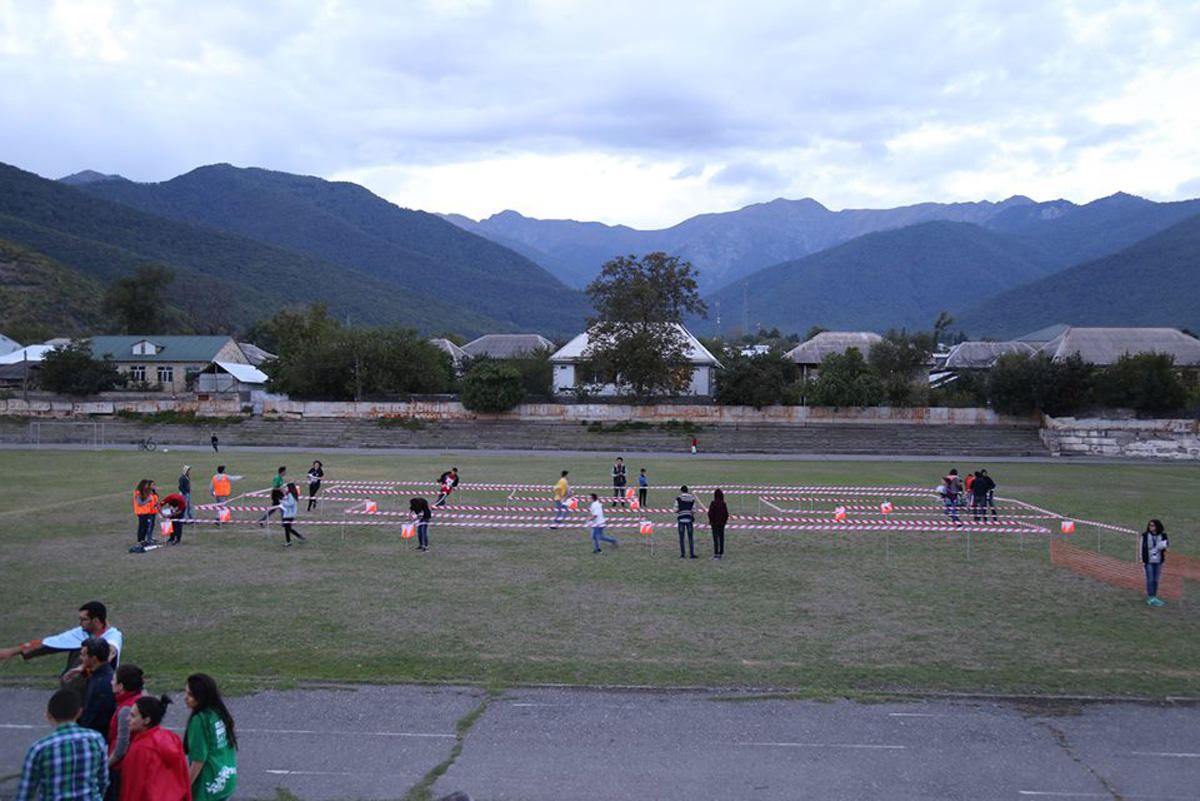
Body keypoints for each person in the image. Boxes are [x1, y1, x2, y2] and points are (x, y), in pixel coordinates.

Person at [0, 601, 124, 689]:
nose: (80, 623)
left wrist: (82, 669)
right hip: (74, 693)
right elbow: (48, 643)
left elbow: (109, 653)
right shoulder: (81, 632)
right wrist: (12, 651)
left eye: (83, 619)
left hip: (97, 691)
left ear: (96, 621)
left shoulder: (112, 636)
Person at [14, 689, 108, 801]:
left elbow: (25, 794)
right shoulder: (96, 739)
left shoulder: (39, 749)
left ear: (48, 715)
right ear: (79, 713)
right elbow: (103, 780)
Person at [119, 695, 190, 801]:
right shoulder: (172, 738)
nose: (128, 718)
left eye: (133, 716)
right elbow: (183, 776)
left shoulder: (141, 748)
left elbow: (133, 788)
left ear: (146, 720)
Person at [183, 673, 238, 801]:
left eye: (190, 695)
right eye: (185, 692)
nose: (185, 698)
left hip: (208, 786)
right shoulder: (219, 712)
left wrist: (184, 788)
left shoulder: (199, 720)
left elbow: (198, 760)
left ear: (201, 697)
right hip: (226, 781)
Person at [108, 665, 146, 800]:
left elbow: (121, 748)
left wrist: (105, 765)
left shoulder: (125, 710)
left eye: (113, 680)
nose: (111, 682)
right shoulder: (141, 699)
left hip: (120, 769)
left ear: (121, 686)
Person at [79, 639, 116, 741]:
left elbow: (94, 717)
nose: (80, 658)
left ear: (94, 659)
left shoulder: (101, 683)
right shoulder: (103, 676)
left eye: (83, 655)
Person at [1140, 519, 1170, 607]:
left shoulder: (1163, 535)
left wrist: (1164, 547)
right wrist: (1141, 560)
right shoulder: (1145, 536)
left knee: (1156, 580)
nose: (1151, 527)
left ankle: (1154, 597)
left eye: (1153, 525)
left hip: (1158, 561)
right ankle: (1151, 598)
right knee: (1150, 579)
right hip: (1148, 561)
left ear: (1157, 526)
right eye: (1150, 525)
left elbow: (1167, 548)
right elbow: (1141, 548)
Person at [676, 485, 700, 558]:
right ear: (687, 490)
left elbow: (675, 509)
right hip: (689, 519)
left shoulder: (678, 498)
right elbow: (694, 510)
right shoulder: (692, 498)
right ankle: (691, 554)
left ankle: (682, 554)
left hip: (681, 519)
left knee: (681, 538)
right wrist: (690, 513)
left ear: (681, 491)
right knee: (690, 538)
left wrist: (680, 512)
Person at [132, 480, 159, 546]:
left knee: (146, 526)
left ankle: (143, 540)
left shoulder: (145, 492)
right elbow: (140, 503)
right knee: (142, 527)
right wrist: (148, 500)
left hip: (147, 512)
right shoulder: (138, 493)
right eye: (146, 485)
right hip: (141, 512)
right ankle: (140, 540)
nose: (147, 486)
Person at [707, 488, 729, 559]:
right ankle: (721, 553)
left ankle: (716, 553)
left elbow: (710, 513)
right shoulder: (723, 503)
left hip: (714, 523)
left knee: (715, 538)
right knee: (721, 538)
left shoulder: (713, 503)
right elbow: (726, 514)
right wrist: (725, 521)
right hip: (722, 523)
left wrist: (710, 521)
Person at [178, 466, 192, 537]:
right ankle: (184, 520)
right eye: (188, 470)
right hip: (185, 494)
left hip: (188, 493)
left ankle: (190, 519)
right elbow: (180, 487)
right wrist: (184, 493)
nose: (189, 471)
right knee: (185, 507)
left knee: (189, 507)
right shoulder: (182, 478)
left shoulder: (187, 477)